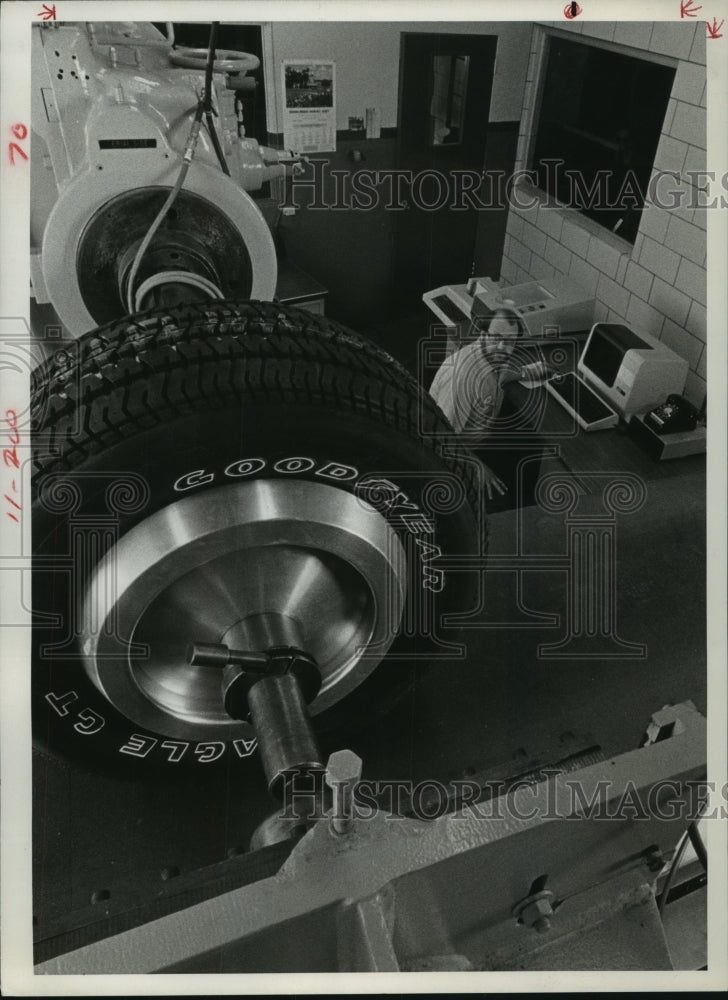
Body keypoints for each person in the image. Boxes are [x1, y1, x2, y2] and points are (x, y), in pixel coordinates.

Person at [429, 307, 547, 506]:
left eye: (510, 341)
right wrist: (478, 467)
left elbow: (505, 373)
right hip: (454, 455)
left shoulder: (491, 356)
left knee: (532, 446)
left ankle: (525, 502)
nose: (502, 347)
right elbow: (440, 438)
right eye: (496, 338)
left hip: (478, 440)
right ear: (482, 334)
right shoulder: (463, 379)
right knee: (505, 495)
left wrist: (533, 371)